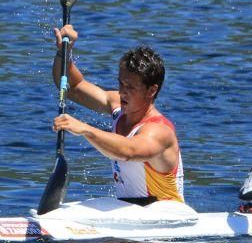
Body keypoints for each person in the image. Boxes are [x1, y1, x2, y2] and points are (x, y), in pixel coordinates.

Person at [51, 25, 184, 205]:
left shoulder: (159, 131)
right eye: (121, 83)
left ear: (151, 91)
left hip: (165, 215)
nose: (122, 92)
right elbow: (72, 88)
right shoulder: (117, 105)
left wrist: (86, 130)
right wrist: (64, 53)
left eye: (130, 87)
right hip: (128, 210)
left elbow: (128, 151)